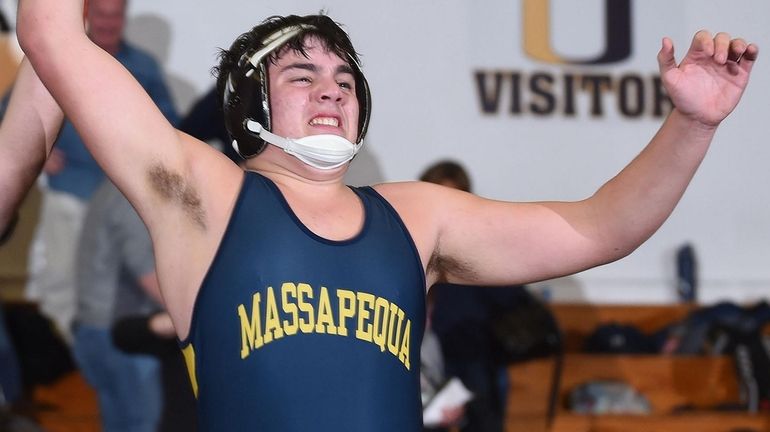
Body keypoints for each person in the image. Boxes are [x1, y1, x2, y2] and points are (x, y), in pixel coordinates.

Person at [16, 4, 758, 430]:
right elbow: (51, 35)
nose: (331, 89)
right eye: (302, 76)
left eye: (344, 77)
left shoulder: (416, 216)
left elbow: (601, 230)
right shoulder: (204, 194)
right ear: (252, 107)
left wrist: (691, 125)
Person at [21, 0, 178, 343]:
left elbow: (172, 127)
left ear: (124, 17)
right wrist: (38, 153)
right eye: (101, 14)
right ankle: (73, 355)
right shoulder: (58, 59)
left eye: (115, 15)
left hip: (124, 199)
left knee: (120, 286)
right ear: (87, 15)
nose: (108, 23)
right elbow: (12, 116)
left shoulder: (144, 66)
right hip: (71, 193)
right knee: (60, 279)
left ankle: (104, 352)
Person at [72, 179, 165, 432]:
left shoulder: (110, 188)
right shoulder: (130, 196)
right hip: (117, 335)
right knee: (142, 424)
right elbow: (149, 275)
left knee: (120, 423)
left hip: (95, 329)